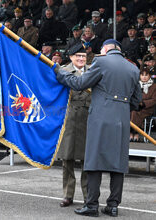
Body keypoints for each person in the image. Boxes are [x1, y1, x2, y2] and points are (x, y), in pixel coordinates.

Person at [55, 39, 142, 217]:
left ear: (106, 49)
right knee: (118, 164)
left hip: (100, 118)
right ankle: (113, 205)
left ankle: (92, 205)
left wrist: (59, 72)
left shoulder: (100, 62)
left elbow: (79, 84)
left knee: (94, 161)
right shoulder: (133, 68)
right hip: (122, 120)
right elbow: (136, 101)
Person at [57, 43, 90, 208]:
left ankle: (88, 196)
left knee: (87, 161)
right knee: (67, 160)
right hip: (69, 118)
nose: (81, 59)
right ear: (71, 57)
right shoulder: (62, 71)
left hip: (88, 119)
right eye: (78, 56)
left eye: (83, 56)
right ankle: (68, 194)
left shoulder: (92, 70)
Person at [130, 68, 156, 142]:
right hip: (136, 106)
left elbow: (154, 100)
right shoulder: (136, 85)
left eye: (146, 75)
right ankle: (134, 132)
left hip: (147, 108)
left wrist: (143, 103)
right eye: (142, 75)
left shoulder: (154, 86)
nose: (144, 77)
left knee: (135, 112)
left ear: (149, 76)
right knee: (132, 111)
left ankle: (133, 132)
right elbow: (132, 96)